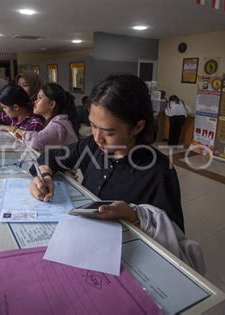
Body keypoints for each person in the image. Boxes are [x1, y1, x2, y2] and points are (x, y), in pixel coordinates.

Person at [28, 74, 185, 232]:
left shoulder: (159, 171)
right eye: (93, 126)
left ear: (138, 127)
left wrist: (134, 216)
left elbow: (173, 237)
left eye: (109, 133)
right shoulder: (92, 146)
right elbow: (52, 155)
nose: (97, 138)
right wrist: (45, 175)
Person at [14, 83, 79, 151]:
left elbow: (35, 142)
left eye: (40, 98)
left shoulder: (58, 125)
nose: (35, 101)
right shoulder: (59, 121)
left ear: (52, 104)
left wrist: (23, 133)